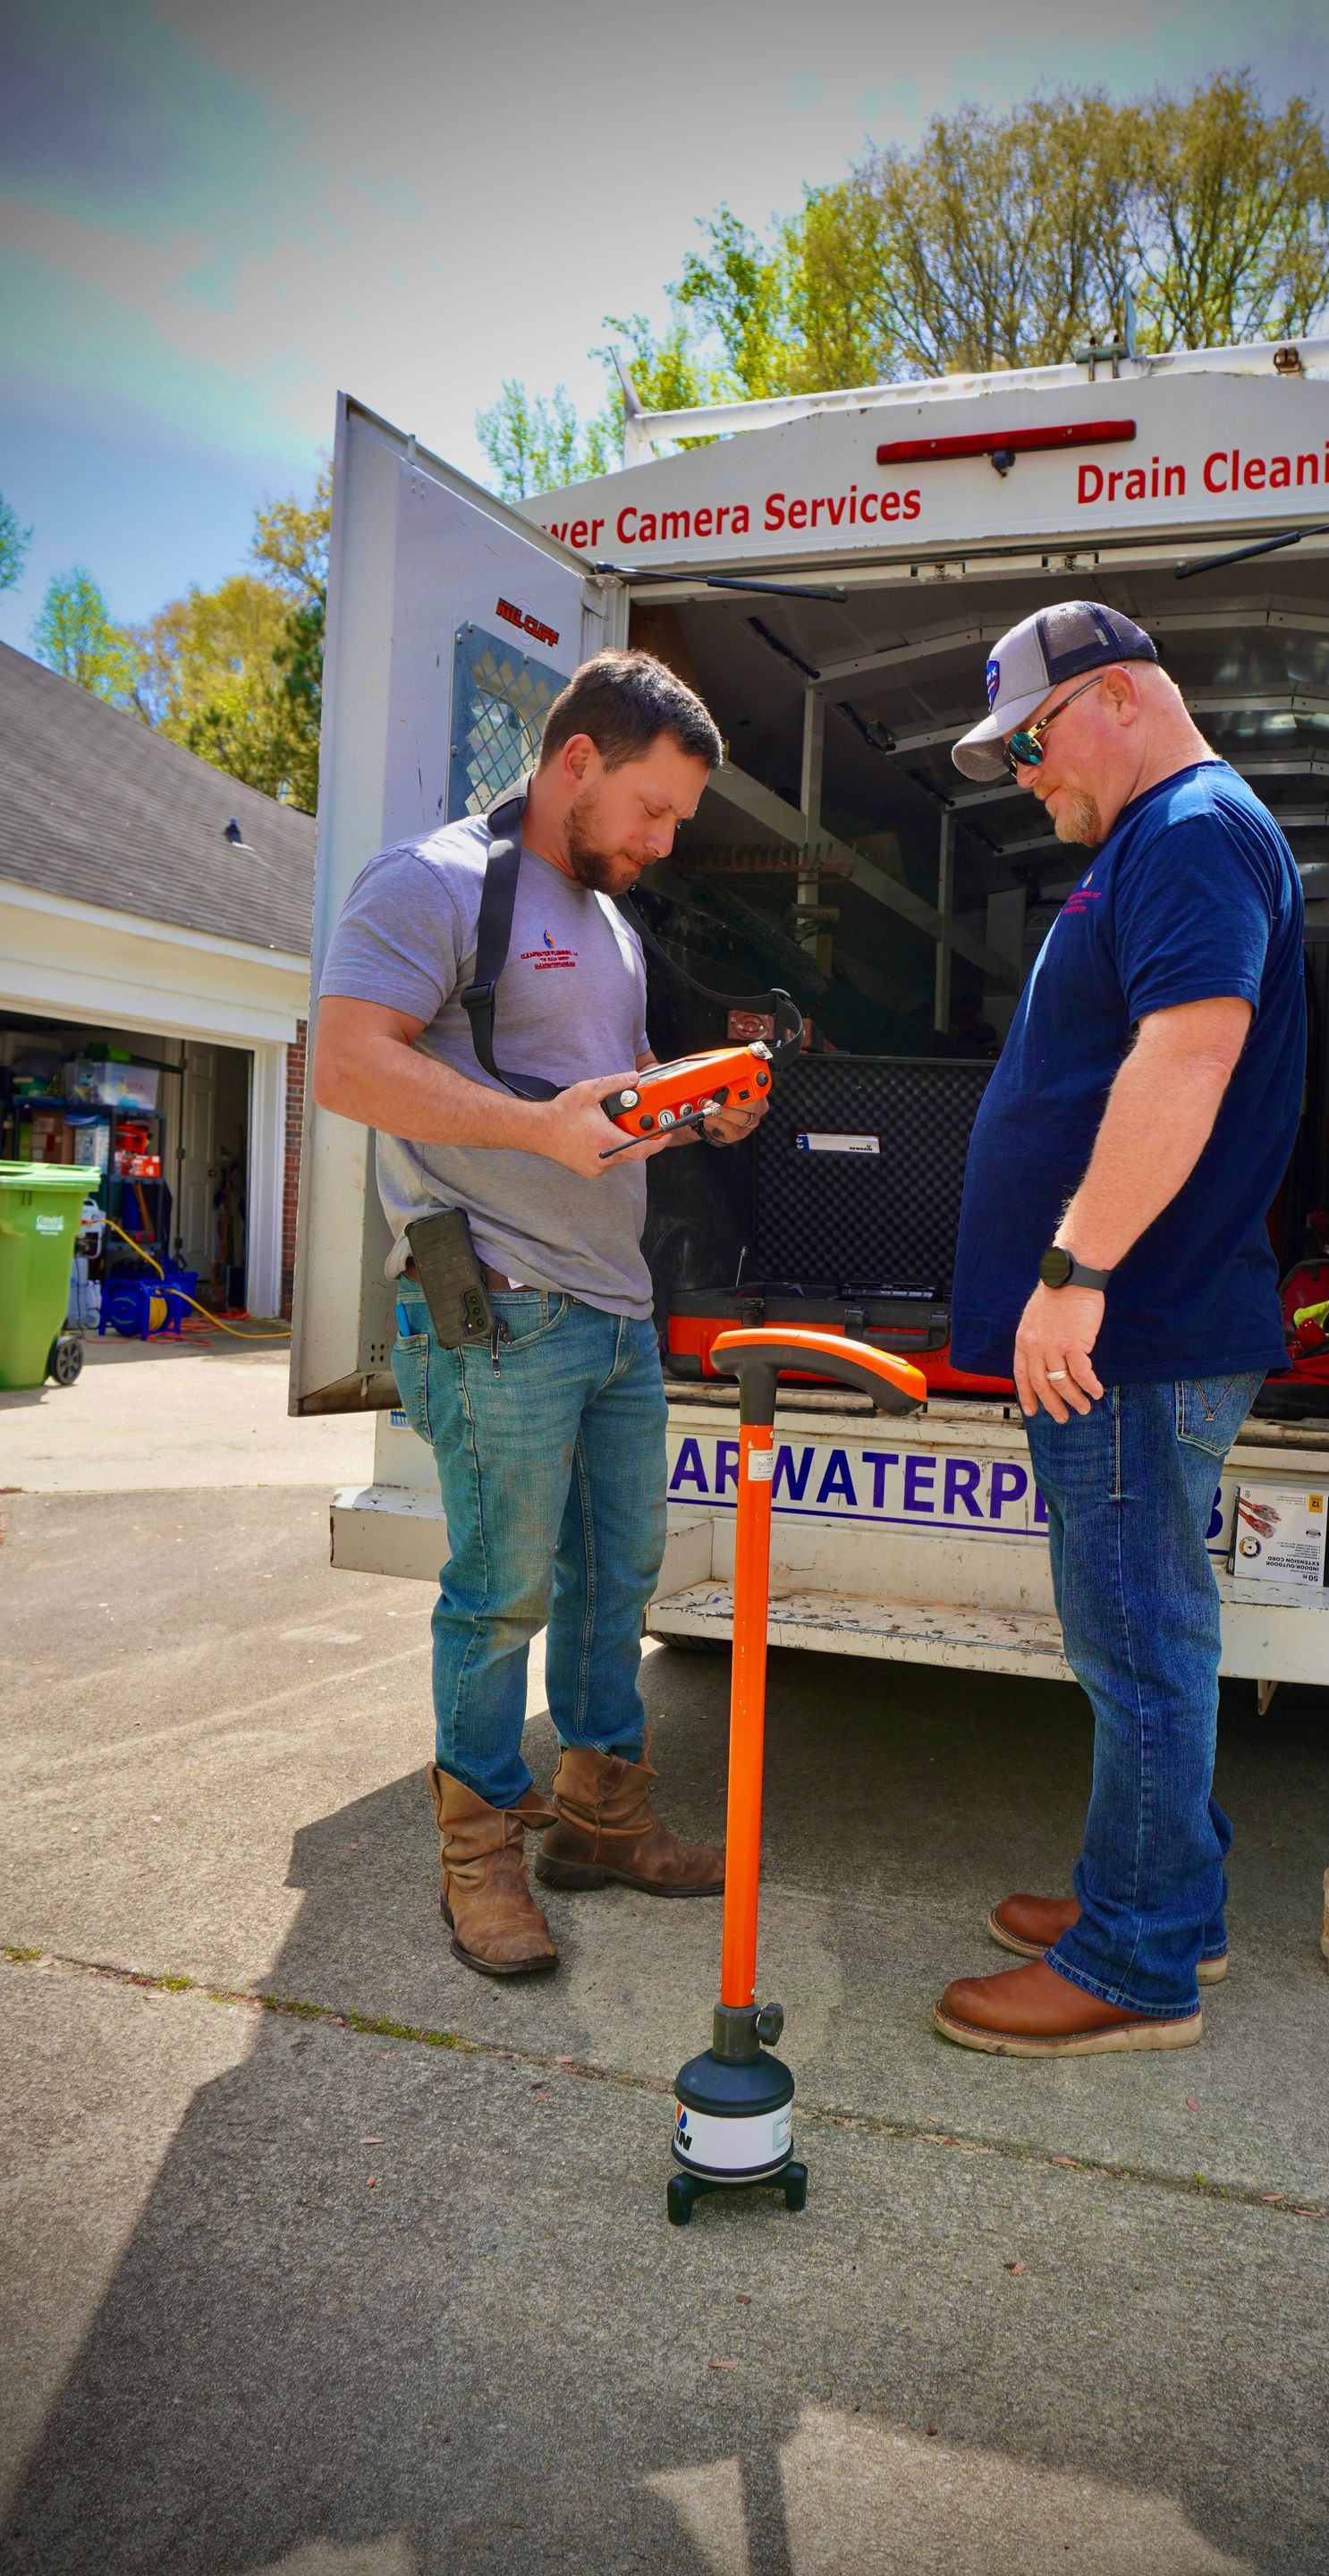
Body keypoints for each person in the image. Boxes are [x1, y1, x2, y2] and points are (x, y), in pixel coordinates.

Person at [313, 649, 766, 1979]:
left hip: (618, 1310)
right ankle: (478, 1855)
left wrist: (693, 1099)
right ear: (579, 759)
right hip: (498, 1308)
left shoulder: (614, 919)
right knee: (500, 1592)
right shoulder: (433, 881)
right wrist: (533, 1127)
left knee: (617, 1580)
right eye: (653, 809)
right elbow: (346, 1062)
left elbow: (594, 1109)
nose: (664, 840)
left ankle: (599, 1823)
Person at [935, 602, 1305, 2057]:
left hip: (1134, 1330)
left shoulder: (1194, 829)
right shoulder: (1165, 839)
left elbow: (1190, 1049)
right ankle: (1161, 1896)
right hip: (1130, 1333)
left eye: (1031, 740)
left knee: (1140, 1641)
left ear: (1123, 696)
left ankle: (1138, 1964)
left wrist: (1076, 1267)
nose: (1025, 776)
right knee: (1129, 1631)